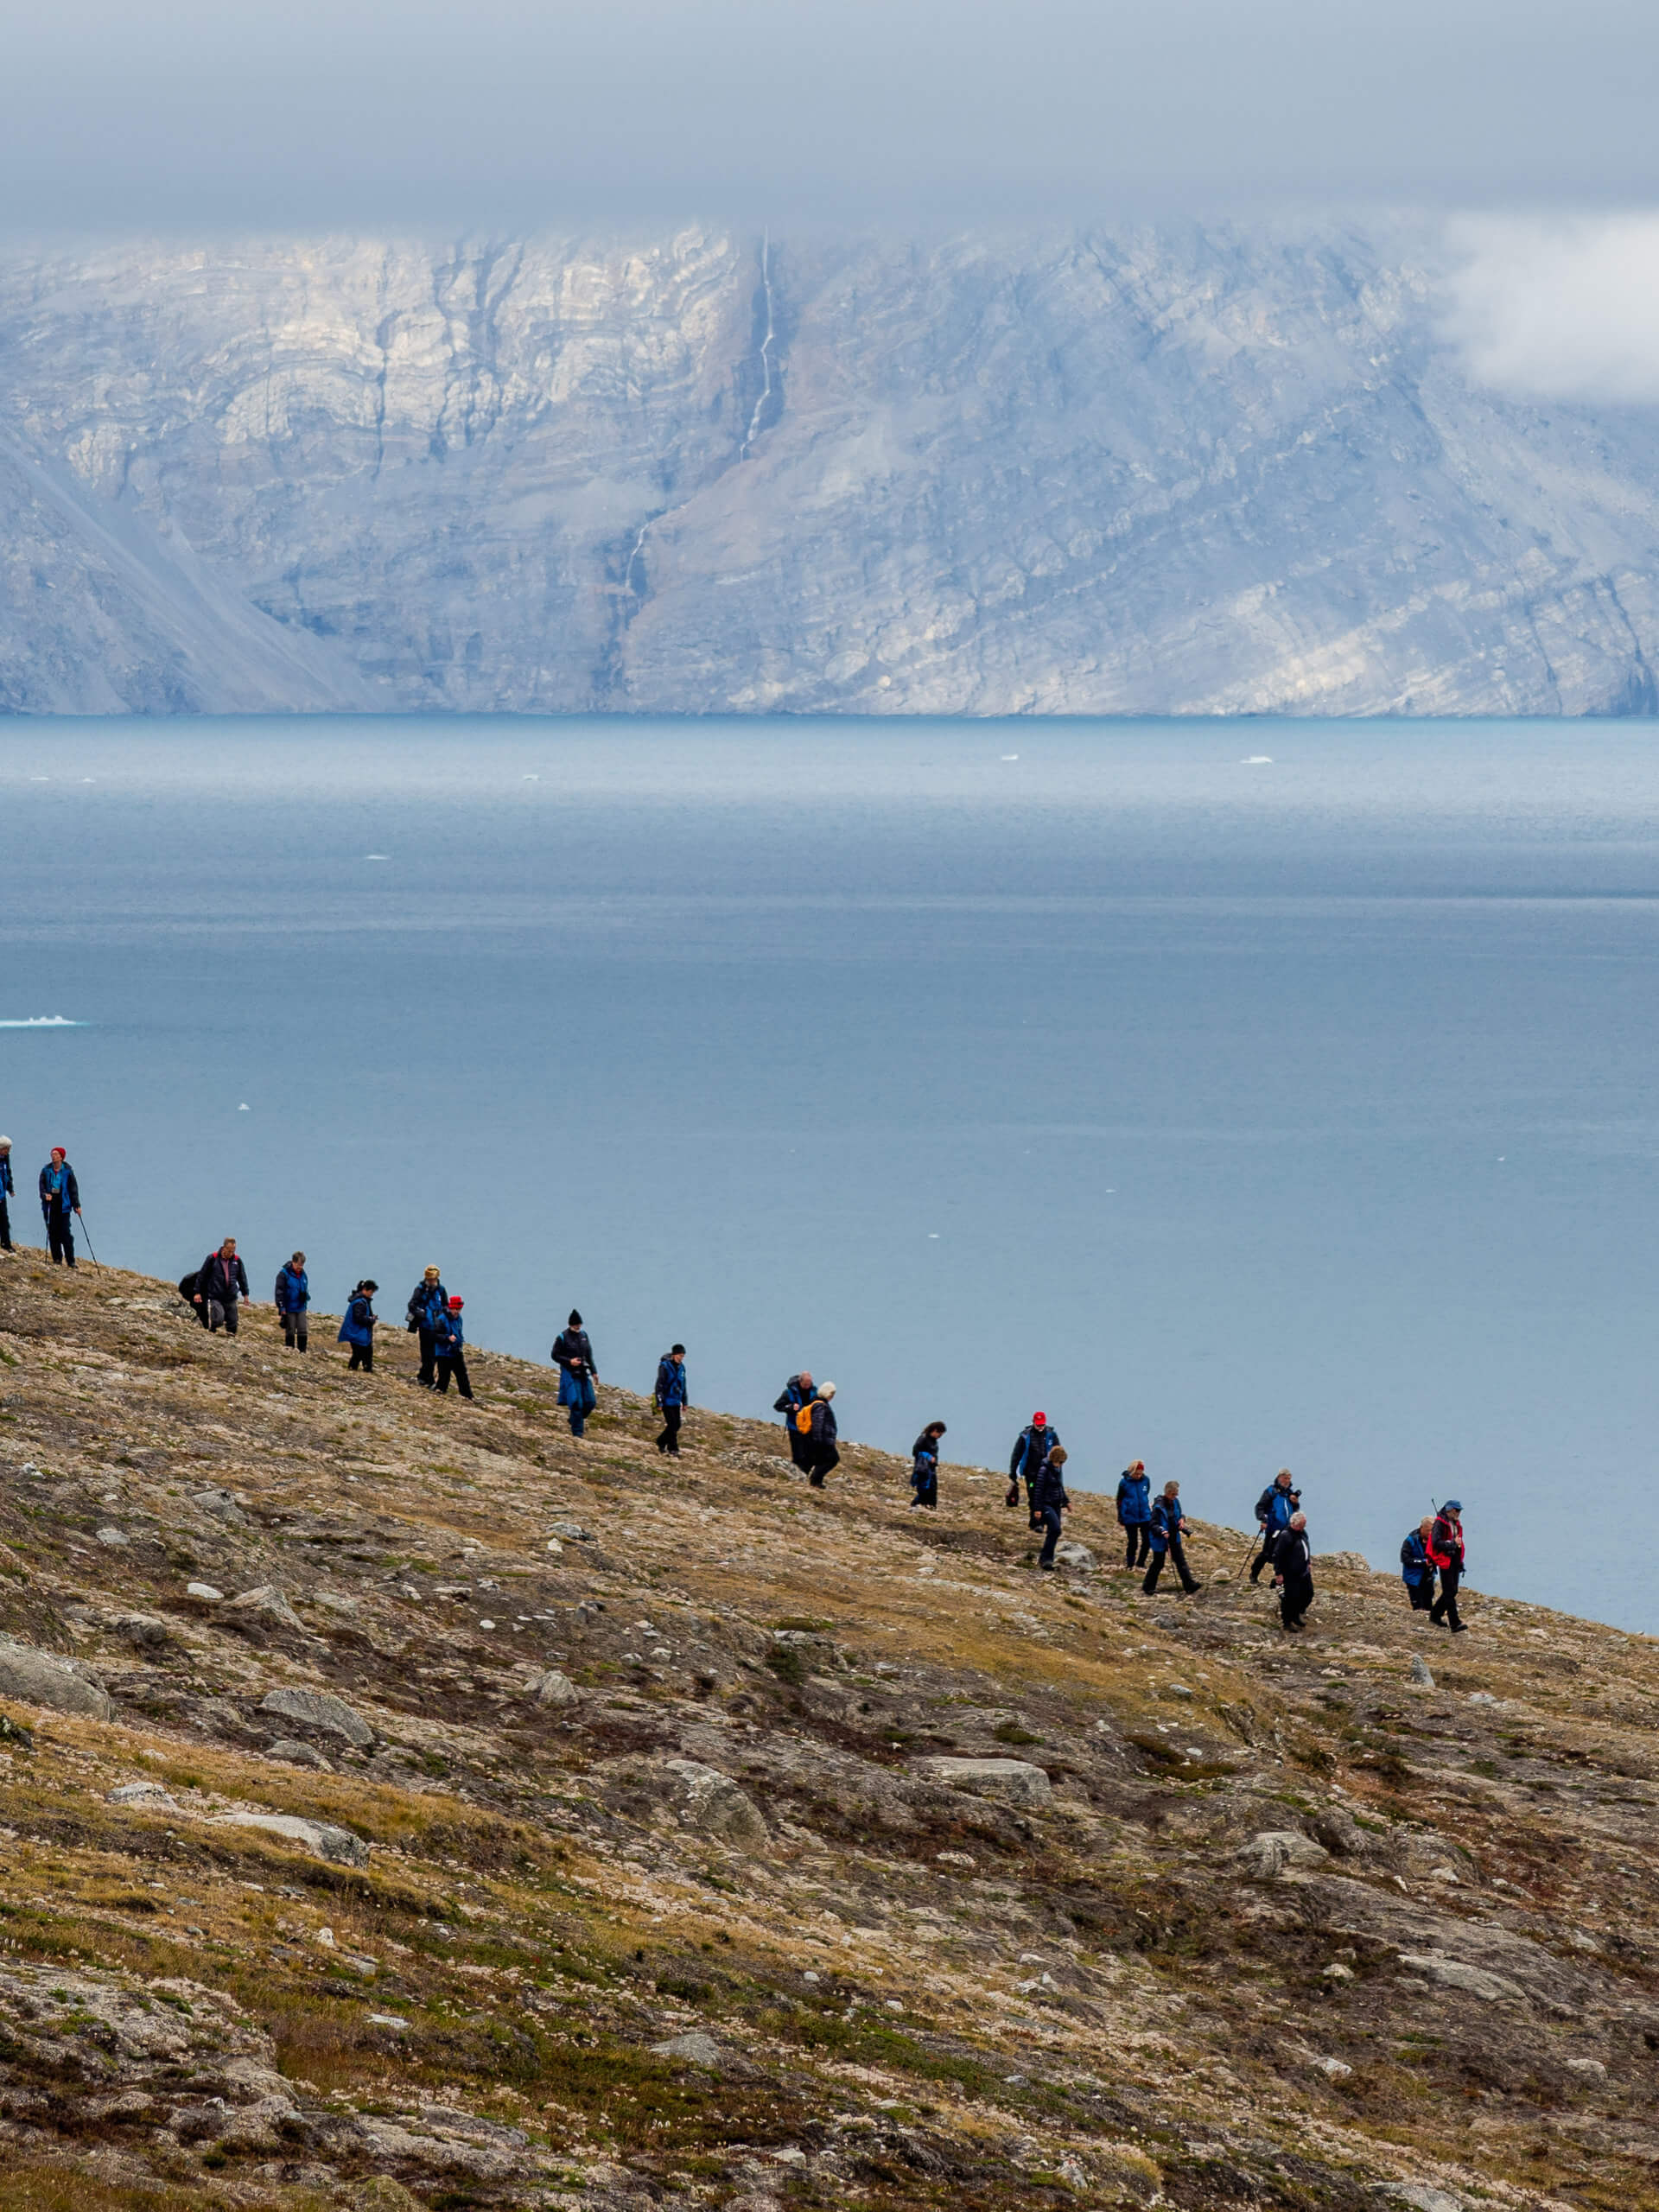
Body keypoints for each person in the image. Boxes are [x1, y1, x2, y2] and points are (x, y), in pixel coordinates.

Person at [1142, 1479, 1199, 1595]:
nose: (1175, 1496)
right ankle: (1148, 1587)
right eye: (1173, 1494)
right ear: (1167, 1492)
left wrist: (1182, 1520)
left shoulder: (1176, 1502)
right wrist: (1162, 1531)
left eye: (1176, 1493)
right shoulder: (1158, 1506)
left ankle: (1189, 1586)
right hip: (1160, 1539)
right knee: (1158, 1563)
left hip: (1174, 1536)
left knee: (1180, 1561)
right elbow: (1152, 1524)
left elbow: (1180, 1515)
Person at [552, 1309, 598, 1435]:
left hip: (583, 1373)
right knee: (577, 1403)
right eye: (576, 1324)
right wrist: (569, 1361)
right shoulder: (562, 1337)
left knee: (590, 1402)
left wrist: (594, 1372)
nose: (578, 1326)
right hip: (570, 1374)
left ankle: (574, 1419)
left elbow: (589, 1355)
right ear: (571, 1324)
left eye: (580, 1324)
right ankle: (578, 1434)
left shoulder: (584, 1335)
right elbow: (555, 1355)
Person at [1249, 1468, 1300, 1582]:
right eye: (1285, 1478)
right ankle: (1254, 1574)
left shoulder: (1289, 1494)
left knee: (1286, 1554)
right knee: (1267, 1553)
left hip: (1288, 1529)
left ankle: (1282, 1579)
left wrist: (1295, 1503)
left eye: (1289, 1478)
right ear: (1279, 1478)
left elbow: (1295, 1510)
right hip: (1273, 1527)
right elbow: (1260, 1507)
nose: (1287, 1481)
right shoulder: (1271, 1491)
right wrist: (1263, 1519)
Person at [195, 1237, 251, 1334]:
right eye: (229, 1251)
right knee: (218, 1319)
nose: (231, 1253)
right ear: (224, 1248)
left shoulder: (237, 1261)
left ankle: (231, 1341)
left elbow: (242, 1278)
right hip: (216, 1296)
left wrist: (245, 1295)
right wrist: (197, 1292)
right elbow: (202, 1276)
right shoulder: (212, 1258)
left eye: (233, 1251)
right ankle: (212, 1330)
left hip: (231, 1296)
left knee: (233, 1322)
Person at [1427, 1501, 1468, 1632]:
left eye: (1460, 1511)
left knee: (1452, 1591)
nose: (1458, 1513)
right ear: (1449, 1510)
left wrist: (1460, 1561)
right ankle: (1454, 1623)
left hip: (1454, 1561)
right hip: (1445, 1561)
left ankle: (1435, 1615)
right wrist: (1452, 1544)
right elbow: (1436, 1542)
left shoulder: (1455, 1523)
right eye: (1457, 1510)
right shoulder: (1440, 1523)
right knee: (1449, 1592)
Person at [406, 1266, 449, 1387]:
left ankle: (423, 1376)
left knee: (435, 1355)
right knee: (427, 1355)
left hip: (437, 1327)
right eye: (430, 1279)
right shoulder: (420, 1290)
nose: (431, 1281)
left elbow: (446, 1305)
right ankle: (429, 1381)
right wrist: (422, 1314)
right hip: (425, 1326)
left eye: (433, 1279)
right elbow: (411, 1305)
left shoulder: (441, 1290)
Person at [1271, 1510, 1314, 1631]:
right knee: (1290, 1598)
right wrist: (1278, 1574)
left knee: (1308, 1594)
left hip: (1304, 1571)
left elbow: (1306, 1547)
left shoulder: (1302, 1533)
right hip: (1290, 1573)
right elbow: (1277, 1555)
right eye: (1302, 1524)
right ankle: (1287, 1622)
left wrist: (1308, 1562)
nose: (1304, 1527)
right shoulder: (1286, 1536)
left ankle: (1296, 1615)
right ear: (1295, 1523)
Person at [1007, 1412, 1060, 1510]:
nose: (1040, 1427)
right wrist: (1013, 1472)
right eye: (1038, 1424)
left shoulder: (1052, 1435)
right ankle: (1035, 1522)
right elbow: (1016, 1455)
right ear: (1033, 1422)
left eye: (1042, 1424)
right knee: (1033, 1496)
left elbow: (1058, 1453)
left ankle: (1044, 1518)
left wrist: (1057, 1470)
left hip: (1048, 1472)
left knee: (1047, 1497)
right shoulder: (1025, 1436)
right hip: (1031, 1473)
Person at [38, 1147, 80, 1267]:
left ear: (61, 1157)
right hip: (50, 1205)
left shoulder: (67, 1171)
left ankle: (71, 1261)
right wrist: (44, 1195)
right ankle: (57, 1259)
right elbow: (41, 1186)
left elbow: (73, 1189)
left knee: (65, 1233)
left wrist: (76, 1205)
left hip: (64, 1205)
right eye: (52, 1154)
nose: (53, 1156)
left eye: (56, 1154)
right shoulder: (46, 1170)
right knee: (52, 1232)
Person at [1032, 1443, 1071, 1569]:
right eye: (1059, 1462)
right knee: (1055, 1529)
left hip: (1056, 1505)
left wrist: (1066, 1501)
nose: (1060, 1465)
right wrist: (1037, 1509)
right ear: (1054, 1459)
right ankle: (1045, 1559)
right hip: (1046, 1504)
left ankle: (1048, 1560)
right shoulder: (1044, 1470)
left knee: (1054, 1532)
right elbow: (1038, 1490)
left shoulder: (1058, 1470)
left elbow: (1060, 1487)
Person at [773, 1371, 817, 1471]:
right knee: (798, 1455)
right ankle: (796, 1475)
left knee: (811, 1455)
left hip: (810, 1428)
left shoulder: (814, 1392)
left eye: (809, 1384)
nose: (807, 1386)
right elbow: (778, 1406)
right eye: (806, 1384)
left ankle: (804, 1475)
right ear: (800, 1382)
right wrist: (791, 1407)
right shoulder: (789, 1392)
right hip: (795, 1428)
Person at [433, 1295, 474, 1399]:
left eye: (459, 1309)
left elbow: (459, 1332)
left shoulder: (459, 1319)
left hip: (456, 1351)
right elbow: (435, 1335)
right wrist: (447, 1338)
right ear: (451, 1308)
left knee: (462, 1375)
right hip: (443, 1353)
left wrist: (460, 1341)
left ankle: (467, 1396)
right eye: (456, 1309)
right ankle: (440, 1393)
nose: (458, 1312)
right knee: (444, 1376)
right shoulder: (441, 1319)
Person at [1116, 1459, 1153, 1570]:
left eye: (1140, 1473)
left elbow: (1146, 1493)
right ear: (1132, 1471)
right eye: (1136, 1473)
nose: (1138, 1476)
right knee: (1133, 1542)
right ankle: (1130, 1564)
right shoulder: (1124, 1483)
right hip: (1130, 1517)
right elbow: (1119, 1500)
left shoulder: (1146, 1480)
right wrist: (1121, 1516)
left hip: (1145, 1516)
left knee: (1147, 1541)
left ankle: (1140, 1563)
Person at [803, 1381, 839, 1486]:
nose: (832, 1397)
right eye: (832, 1394)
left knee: (814, 1460)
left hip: (820, 1439)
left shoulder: (818, 1403)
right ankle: (815, 1481)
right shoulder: (820, 1405)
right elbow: (818, 1423)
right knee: (832, 1459)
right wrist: (817, 1440)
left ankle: (811, 1480)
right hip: (822, 1440)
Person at [655, 1344, 689, 1456]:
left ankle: (661, 1441)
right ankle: (673, 1449)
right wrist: (659, 1402)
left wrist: (685, 1401)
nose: (681, 1358)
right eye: (680, 1356)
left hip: (676, 1400)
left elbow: (684, 1385)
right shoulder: (664, 1366)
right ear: (674, 1355)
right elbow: (659, 1385)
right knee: (672, 1425)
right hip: (666, 1400)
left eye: (683, 1356)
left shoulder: (682, 1368)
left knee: (677, 1425)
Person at [338, 1279, 378, 1372]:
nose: (372, 1294)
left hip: (358, 1332)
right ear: (365, 1289)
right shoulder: (360, 1302)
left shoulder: (361, 1300)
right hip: (357, 1333)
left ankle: (364, 1369)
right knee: (360, 1353)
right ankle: (355, 1369)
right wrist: (371, 1319)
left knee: (364, 1352)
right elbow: (359, 1318)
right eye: (371, 1291)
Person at [274, 1252, 310, 1352]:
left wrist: (306, 1297)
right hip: (289, 1307)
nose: (300, 1267)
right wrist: (282, 1308)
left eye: (302, 1265)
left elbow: (305, 1287)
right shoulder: (283, 1274)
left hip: (301, 1306)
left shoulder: (303, 1274)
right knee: (291, 1330)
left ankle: (302, 1352)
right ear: (293, 1262)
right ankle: (290, 1351)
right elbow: (279, 1292)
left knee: (303, 1330)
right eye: (298, 1265)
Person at [1400, 1516, 1437, 1611]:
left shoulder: (1434, 1540)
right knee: (1418, 1606)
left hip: (1428, 1576)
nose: (1430, 1533)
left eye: (1432, 1531)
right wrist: (1423, 1562)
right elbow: (1405, 1558)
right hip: (1413, 1578)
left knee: (1428, 1604)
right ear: (1421, 1528)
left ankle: (1430, 1623)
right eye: (1428, 1530)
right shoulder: (1410, 1540)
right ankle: (1419, 1623)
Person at [911, 1421, 946, 1509]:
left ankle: (931, 1507)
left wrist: (934, 1461)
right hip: (922, 1468)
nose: (940, 1437)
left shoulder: (934, 1441)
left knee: (933, 1489)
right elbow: (915, 1451)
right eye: (939, 1434)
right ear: (935, 1430)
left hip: (931, 1468)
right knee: (924, 1489)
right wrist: (928, 1456)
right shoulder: (923, 1438)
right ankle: (916, 1505)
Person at [0, 1137, 13, 1254]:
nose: (8, 1151)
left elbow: (7, 1173)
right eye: (7, 1149)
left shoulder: (5, 1159)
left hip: (2, 1195)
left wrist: (10, 1188)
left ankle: (6, 1244)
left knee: (4, 1220)